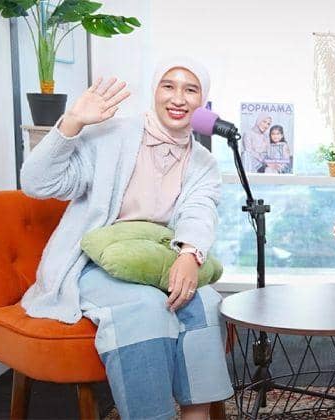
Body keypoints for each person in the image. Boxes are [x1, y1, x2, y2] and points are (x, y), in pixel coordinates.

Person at [19, 57, 233, 420]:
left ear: (203, 101)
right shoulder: (111, 136)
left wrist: (189, 254)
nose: (178, 98)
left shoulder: (203, 162)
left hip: (157, 262)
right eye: (168, 86)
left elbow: (200, 210)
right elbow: (36, 183)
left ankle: (196, 416)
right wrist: (72, 123)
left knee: (206, 301)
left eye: (190, 89)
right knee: (145, 307)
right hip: (94, 265)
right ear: (154, 90)